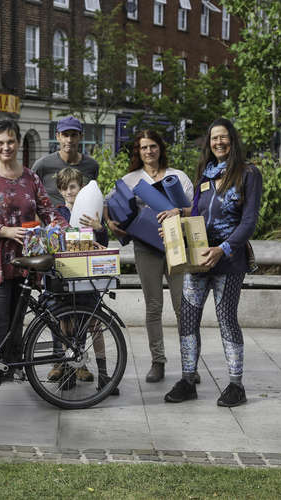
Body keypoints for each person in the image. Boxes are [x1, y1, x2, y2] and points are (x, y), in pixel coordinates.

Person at [160, 118, 262, 407]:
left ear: (233, 140)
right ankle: (188, 380)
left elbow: (249, 221)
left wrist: (223, 249)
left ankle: (235, 384)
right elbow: (196, 213)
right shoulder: (205, 175)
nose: (219, 143)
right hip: (199, 260)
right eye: (214, 138)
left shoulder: (248, 173)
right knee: (187, 319)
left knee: (227, 319)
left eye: (224, 138)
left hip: (229, 261)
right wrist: (175, 222)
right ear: (209, 143)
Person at [0, 119, 66, 366]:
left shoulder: (30, 177)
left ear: (18, 142)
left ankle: (13, 368)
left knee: (16, 321)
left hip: (23, 260)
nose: (6, 147)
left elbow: (49, 212)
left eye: (10, 141)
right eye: (0, 142)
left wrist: (71, 232)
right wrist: (4, 231)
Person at [104, 130, 194, 383]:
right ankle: (158, 362)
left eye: (153, 146)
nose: (149, 151)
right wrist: (111, 223)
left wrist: (179, 211)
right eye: (143, 147)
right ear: (138, 151)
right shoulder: (131, 179)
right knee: (153, 307)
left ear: (160, 148)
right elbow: (108, 203)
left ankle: (190, 363)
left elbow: (196, 209)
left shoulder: (178, 177)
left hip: (177, 246)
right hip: (146, 248)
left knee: (183, 307)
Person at [47, 167, 116, 391]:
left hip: (88, 276)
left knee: (95, 323)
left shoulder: (90, 210)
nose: (70, 192)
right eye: (65, 188)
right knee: (65, 323)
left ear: (81, 188)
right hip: (67, 275)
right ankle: (67, 367)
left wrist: (100, 228)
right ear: (60, 190)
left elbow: (103, 243)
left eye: (74, 187)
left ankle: (104, 374)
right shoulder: (58, 213)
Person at [32, 116, 100, 206]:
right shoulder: (42, 165)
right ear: (58, 137)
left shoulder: (92, 165)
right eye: (65, 135)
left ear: (81, 137)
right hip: (52, 219)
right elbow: (30, 196)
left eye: (74, 135)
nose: (69, 140)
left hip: (80, 218)